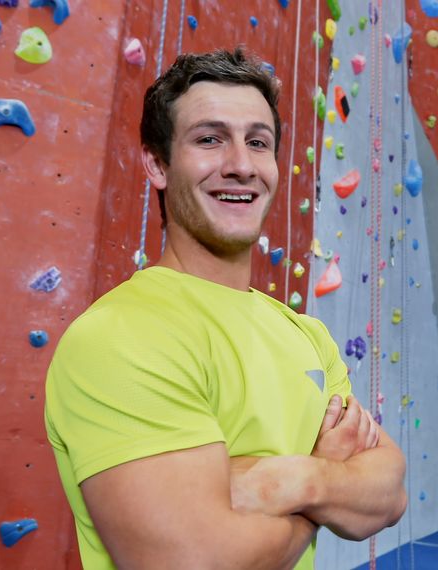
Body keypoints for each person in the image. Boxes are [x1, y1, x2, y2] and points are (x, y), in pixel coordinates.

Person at [44, 47, 408, 570]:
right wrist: (326, 493)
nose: (240, 166)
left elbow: (389, 492)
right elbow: (195, 563)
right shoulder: (119, 336)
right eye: (210, 139)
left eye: (258, 142)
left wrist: (294, 478)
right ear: (157, 163)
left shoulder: (305, 334)